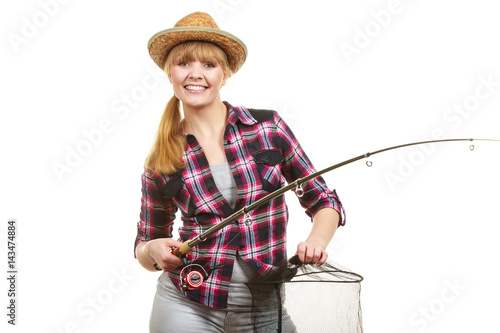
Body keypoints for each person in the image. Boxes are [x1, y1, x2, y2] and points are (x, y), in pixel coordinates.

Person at [134, 11, 345, 332]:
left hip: (264, 308)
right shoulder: (161, 160)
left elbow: (324, 200)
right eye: (184, 63)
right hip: (188, 304)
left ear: (224, 73)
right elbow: (146, 243)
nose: (196, 74)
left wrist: (316, 240)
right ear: (169, 73)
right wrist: (152, 250)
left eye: (208, 64)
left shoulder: (267, 127)